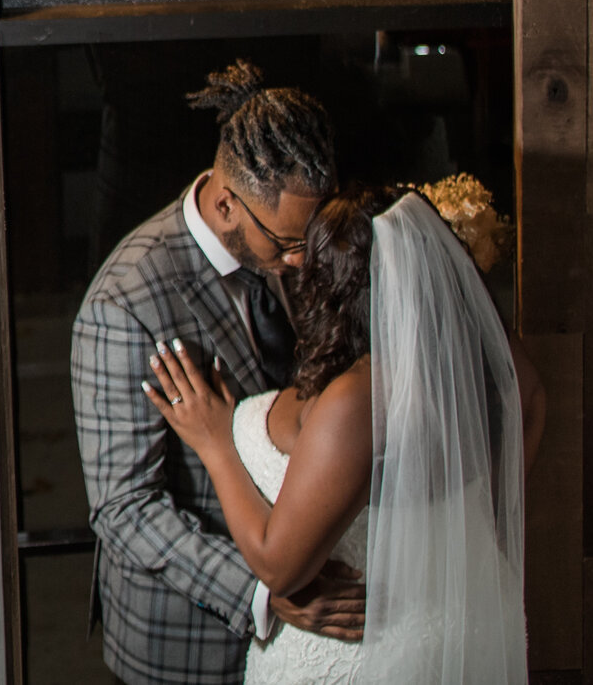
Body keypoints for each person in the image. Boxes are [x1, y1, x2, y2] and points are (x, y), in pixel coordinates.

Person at [146, 182, 544, 682]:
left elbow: (279, 567)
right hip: (467, 634)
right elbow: (527, 409)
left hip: (370, 657)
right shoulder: (479, 359)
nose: (293, 267)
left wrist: (216, 444)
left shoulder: (360, 399)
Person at [72, 61, 361, 685]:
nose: (300, 260)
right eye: (285, 243)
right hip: (187, 646)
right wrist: (264, 592)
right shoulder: (124, 305)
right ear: (227, 202)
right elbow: (125, 508)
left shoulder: (300, 248)